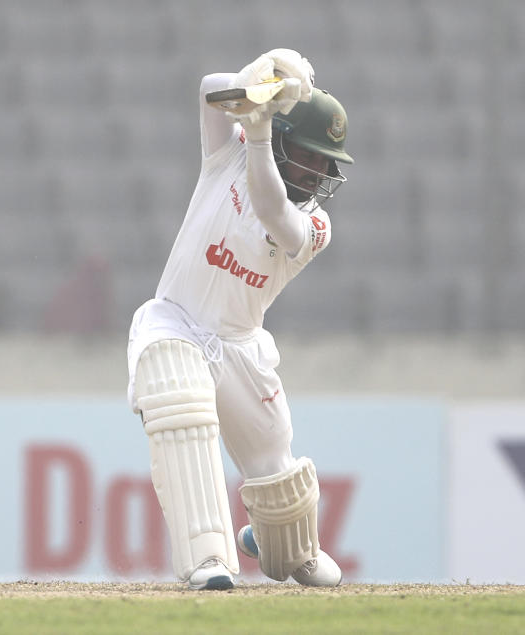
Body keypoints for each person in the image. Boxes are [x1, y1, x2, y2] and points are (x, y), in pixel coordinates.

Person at [126, 48, 353, 590]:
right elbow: (210, 86)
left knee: (275, 463)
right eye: (311, 156)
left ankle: (289, 547)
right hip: (176, 321)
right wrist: (266, 82)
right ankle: (208, 558)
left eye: (327, 163)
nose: (319, 171)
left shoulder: (314, 224)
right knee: (179, 399)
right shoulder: (224, 156)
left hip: (241, 346)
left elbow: (273, 209)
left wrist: (256, 133)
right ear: (282, 139)